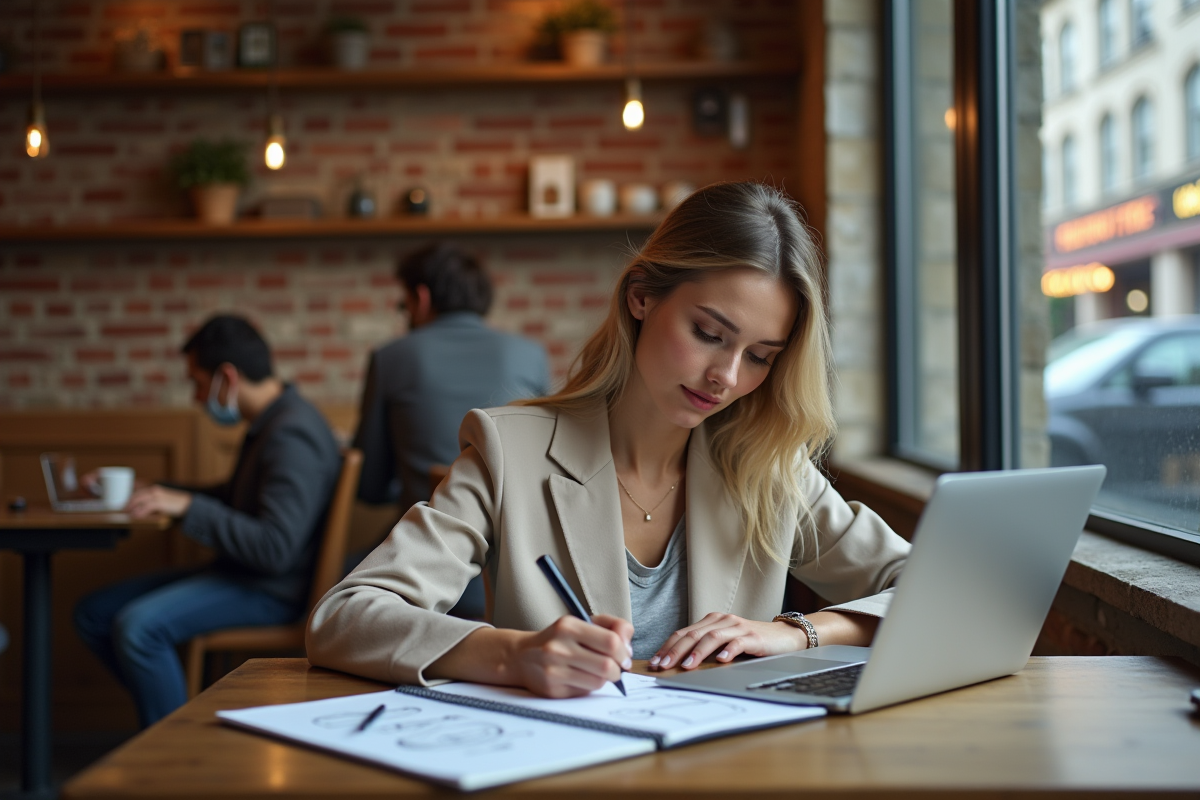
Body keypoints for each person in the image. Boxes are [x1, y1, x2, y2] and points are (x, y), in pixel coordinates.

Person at [307, 182, 910, 698]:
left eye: (759, 356)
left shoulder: (768, 470)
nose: (726, 377)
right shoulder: (507, 453)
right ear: (641, 296)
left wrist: (798, 632)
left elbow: (931, 586)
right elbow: (346, 618)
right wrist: (510, 656)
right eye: (707, 333)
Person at [75, 314, 342, 727]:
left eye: (198, 383)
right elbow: (233, 497)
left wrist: (185, 507)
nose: (198, 398)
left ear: (227, 378)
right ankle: (169, 717)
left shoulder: (292, 434)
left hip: (271, 589)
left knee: (137, 628)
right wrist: (157, 490)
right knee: (94, 612)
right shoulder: (276, 421)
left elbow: (274, 548)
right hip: (241, 574)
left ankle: (172, 747)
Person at [351, 243, 550, 616]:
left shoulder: (391, 357)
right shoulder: (530, 354)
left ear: (421, 298)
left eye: (403, 304)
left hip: (421, 581)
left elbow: (370, 486)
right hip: (524, 582)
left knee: (340, 584)